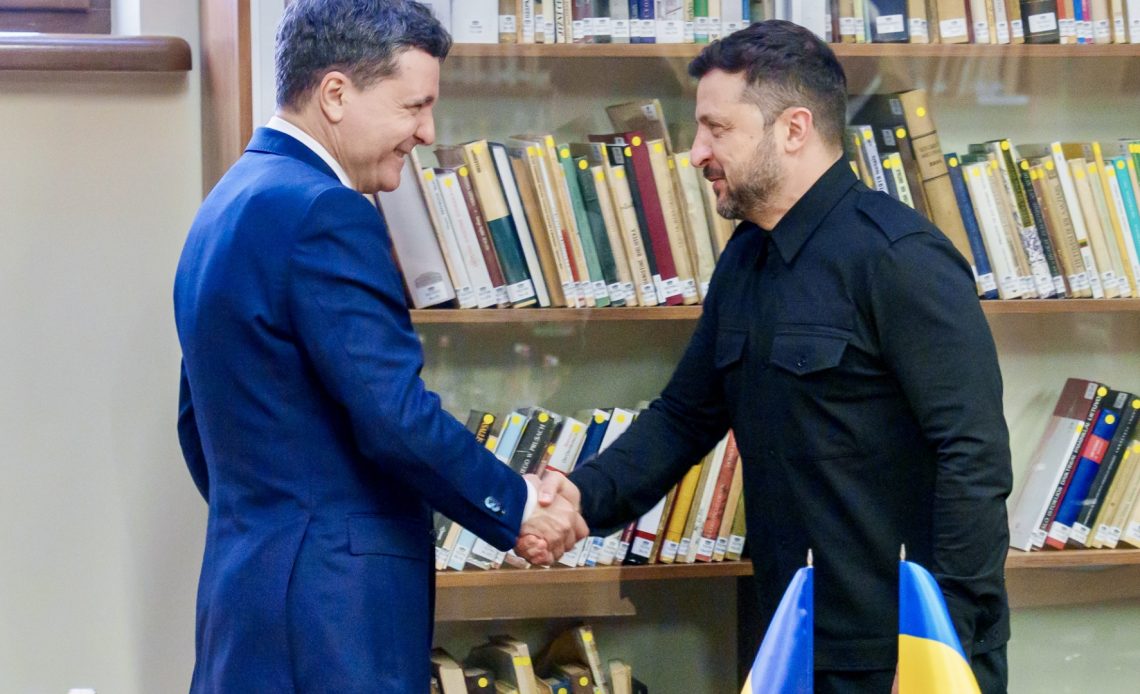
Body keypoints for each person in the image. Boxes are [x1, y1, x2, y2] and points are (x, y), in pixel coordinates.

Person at [539, 20, 1012, 694]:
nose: (697, 152)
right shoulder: (746, 258)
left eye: (717, 129)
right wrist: (581, 497)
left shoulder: (900, 259)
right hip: (791, 644)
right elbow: (684, 416)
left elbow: (974, 457)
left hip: (902, 654)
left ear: (793, 129)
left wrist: (941, 649)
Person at [173, 1, 585, 691]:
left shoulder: (225, 204)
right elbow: (394, 416)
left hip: (246, 600)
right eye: (413, 107)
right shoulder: (324, 212)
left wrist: (280, 527)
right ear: (336, 94)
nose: (427, 132)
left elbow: (198, 425)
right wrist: (517, 504)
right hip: (332, 621)